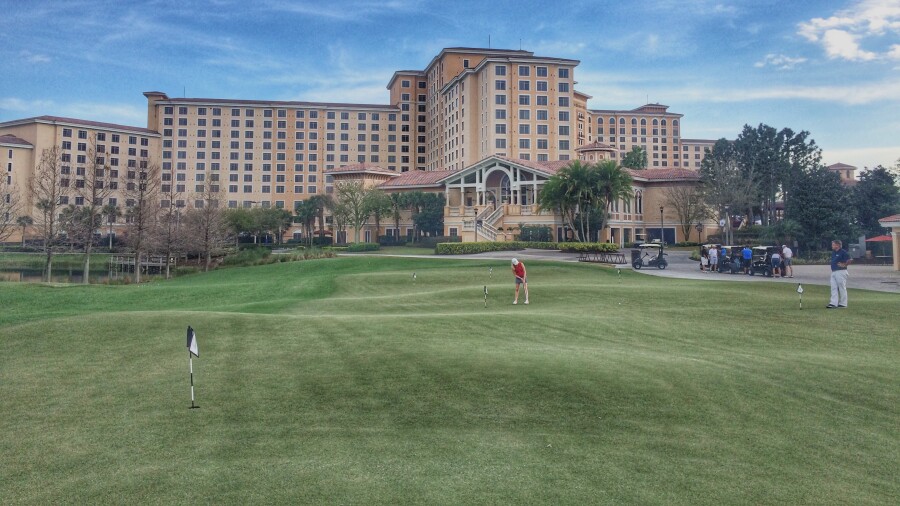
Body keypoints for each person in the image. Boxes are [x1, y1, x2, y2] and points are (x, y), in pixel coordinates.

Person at [827, 240, 851, 308]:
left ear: (837, 245)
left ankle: (843, 303)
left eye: (833, 244)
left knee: (841, 287)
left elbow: (849, 260)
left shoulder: (843, 252)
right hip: (834, 271)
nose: (832, 246)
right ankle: (833, 303)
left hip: (841, 271)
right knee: (833, 287)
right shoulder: (834, 252)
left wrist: (844, 264)